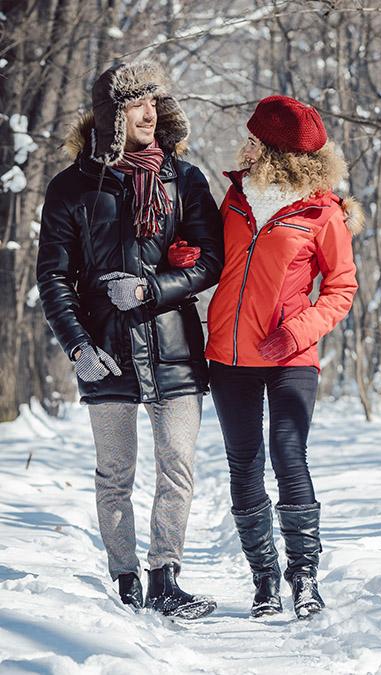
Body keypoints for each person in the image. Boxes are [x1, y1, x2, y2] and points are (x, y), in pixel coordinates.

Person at [37, 59, 223, 620]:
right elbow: (53, 276)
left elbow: (212, 260)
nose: (150, 112)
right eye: (136, 103)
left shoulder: (183, 178)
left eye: (154, 102)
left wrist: (151, 288)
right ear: (110, 115)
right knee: (114, 474)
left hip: (174, 347)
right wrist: (78, 346)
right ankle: (125, 583)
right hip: (106, 350)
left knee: (178, 467)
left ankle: (166, 577)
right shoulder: (71, 187)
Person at [205, 95, 364, 620]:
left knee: (288, 456)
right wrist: (188, 258)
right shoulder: (232, 199)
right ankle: (265, 582)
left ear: (274, 151)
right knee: (244, 465)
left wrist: (298, 331)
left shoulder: (321, 211)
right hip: (229, 355)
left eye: (253, 139)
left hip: (291, 354)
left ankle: (305, 579)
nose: (243, 145)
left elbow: (341, 289)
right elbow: (214, 262)